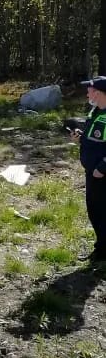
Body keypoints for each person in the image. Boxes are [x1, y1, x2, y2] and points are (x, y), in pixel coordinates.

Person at [72, 76, 106, 263]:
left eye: (90, 90)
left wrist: (102, 168)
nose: (87, 93)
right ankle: (102, 249)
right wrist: (81, 137)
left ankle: (102, 253)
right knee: (95, 211)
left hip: (101, 173)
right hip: (92, 172)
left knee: (101, 212)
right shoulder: (95, 112)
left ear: (99, 93)